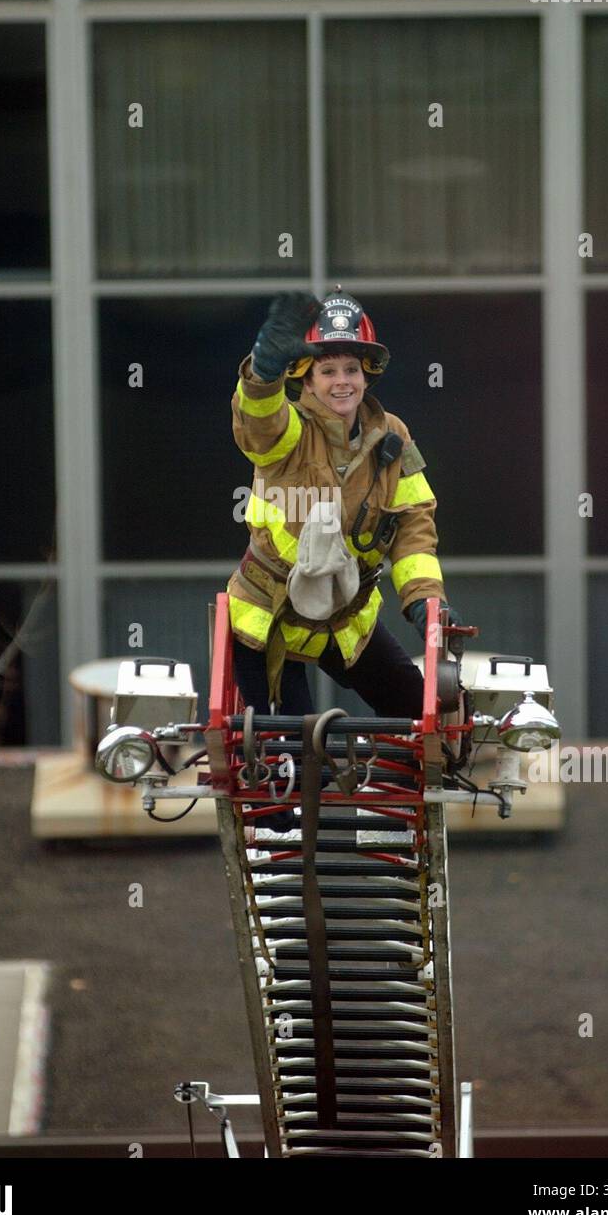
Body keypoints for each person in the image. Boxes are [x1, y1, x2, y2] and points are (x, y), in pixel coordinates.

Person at [226, 288, 460, 823]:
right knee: (284, 774)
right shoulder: (288, 433)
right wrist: (262, 369)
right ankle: (290, 878)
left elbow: (414, 526)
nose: (341, 381)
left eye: (351, 368)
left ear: (366, 374)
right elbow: (256, 421)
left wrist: (425, 601)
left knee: (418, 714)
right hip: (268, 625)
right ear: (305, 379)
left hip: (345, 618)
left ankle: (392, 834)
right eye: (327, 369)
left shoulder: (392, 438)